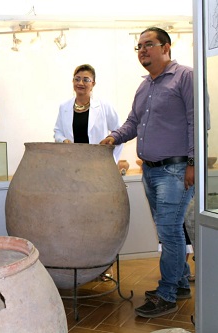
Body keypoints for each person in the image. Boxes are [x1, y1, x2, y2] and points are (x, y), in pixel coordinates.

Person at [100, 27, 194, 318]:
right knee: (171, 231)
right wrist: (114, 137)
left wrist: (193, 163)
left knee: (169, 232)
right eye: (139, 46)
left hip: (176, 169)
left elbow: (196, 121)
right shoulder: (145, 86)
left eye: (148, 44)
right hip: (151, 172)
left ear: (166, 47)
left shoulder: (185, 76)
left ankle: (166, 295)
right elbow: (132, 123)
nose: (142, 50)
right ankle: (178, 284)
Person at [54, 64, 123, 163]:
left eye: (86, 80)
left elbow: (119, 134)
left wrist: (111, 161)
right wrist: (63, 140)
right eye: (77, 79)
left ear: (93, 83)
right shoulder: (64, 107)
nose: (80, 83)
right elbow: (58, 132)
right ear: (73, 81)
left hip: (98, 164)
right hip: (71, 163)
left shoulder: (105, 106)